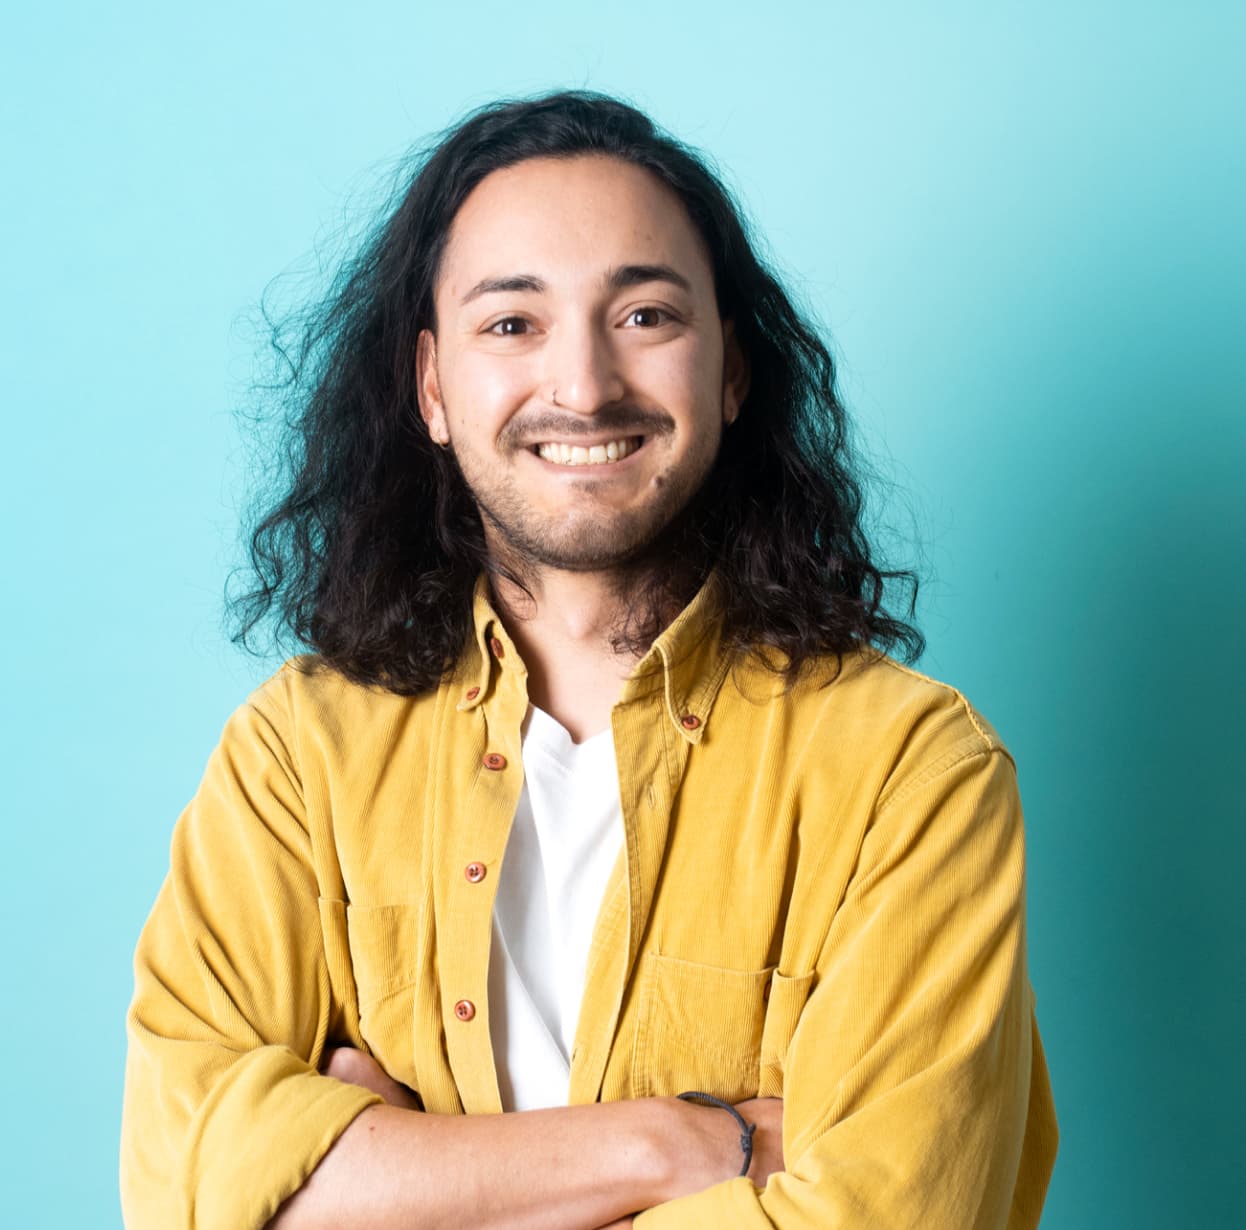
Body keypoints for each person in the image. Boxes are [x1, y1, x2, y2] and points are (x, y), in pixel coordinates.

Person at [120, 90, 1058, 1229]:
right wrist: (681, 1142)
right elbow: (183, 1190)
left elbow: (893, 1215)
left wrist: (388, 1178)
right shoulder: (297, 755)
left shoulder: (908, 772)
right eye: (511, 323)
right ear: (431, 387)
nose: (583, 386)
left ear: (730, 374)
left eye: (647, 315)